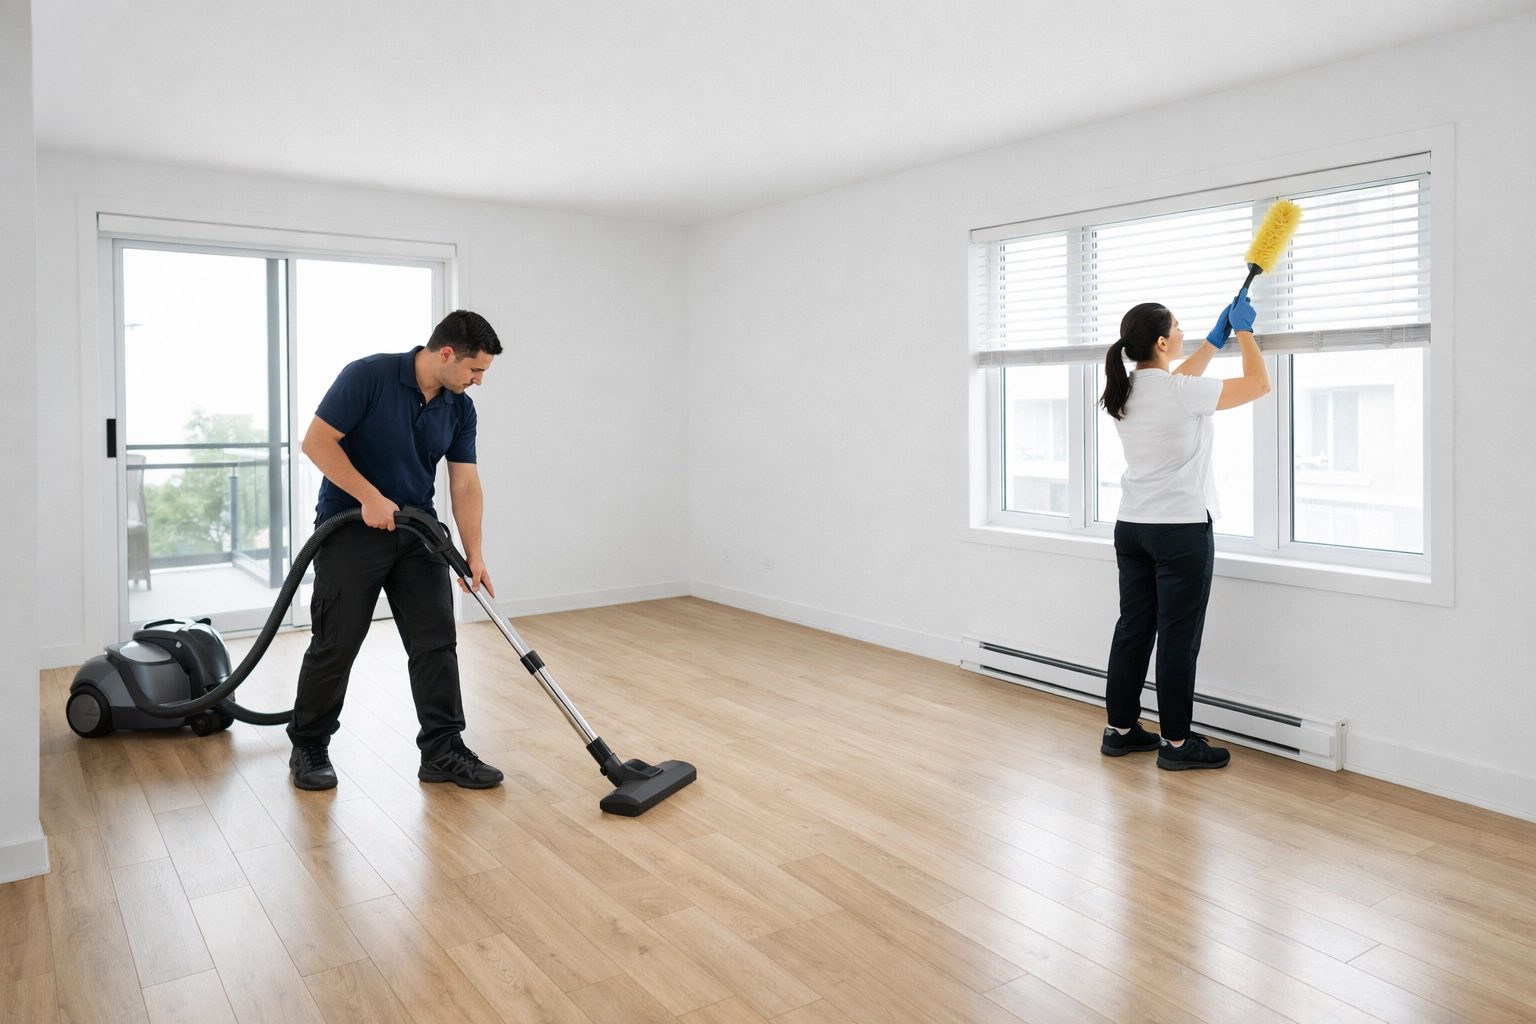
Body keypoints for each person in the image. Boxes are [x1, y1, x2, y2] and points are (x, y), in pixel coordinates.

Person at [287, 310, 506, 791]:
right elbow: (317, 443)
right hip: (349, 529)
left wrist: (474, 553)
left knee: (435, 642)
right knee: (337, 641)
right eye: (475, 369)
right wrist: (368, 496)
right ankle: (309, 744)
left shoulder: (460, 409)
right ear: (446, 354)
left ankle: (443, 750)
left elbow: (465, 483)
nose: (478, 381)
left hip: (418, 531)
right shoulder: (368, 376)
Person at [1097, 294, 1269, 770]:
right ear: (1160, 342)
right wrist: (1245, 332)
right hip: (1179, 531)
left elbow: (1176, 384)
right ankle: (1176, 744)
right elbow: (1258, 384)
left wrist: (1215, 340)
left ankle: (1120, 730)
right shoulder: (1179, 391)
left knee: (1133, 629)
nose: (1183, 333)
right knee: (1177, 638)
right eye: (1177, 327)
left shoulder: (1125, 389)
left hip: (1133, 528)